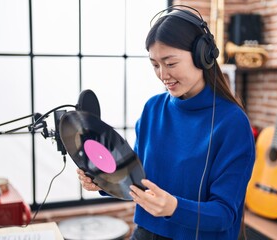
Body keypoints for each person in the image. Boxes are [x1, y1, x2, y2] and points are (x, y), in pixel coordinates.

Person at [77, 5, 255, 240]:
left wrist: (174, 208)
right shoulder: (153, 109)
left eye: (170, 63)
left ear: (203, 55)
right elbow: (136, 180)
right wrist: (102, 182)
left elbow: (225, 214)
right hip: (145, 233)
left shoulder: (232, 123)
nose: (163, 74)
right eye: (155, 65)